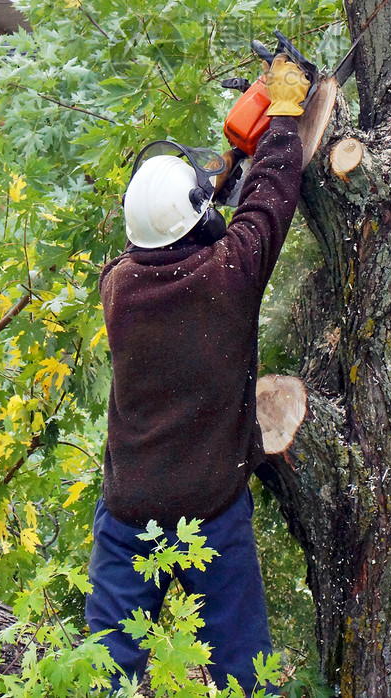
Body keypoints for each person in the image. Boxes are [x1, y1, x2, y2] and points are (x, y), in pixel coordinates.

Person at [85, 54, 310, 694]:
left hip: (131, 515)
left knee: (107, 676)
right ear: (199, 220)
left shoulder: (118, 288)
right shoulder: (229, 275)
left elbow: (177, 240)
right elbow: (269, 206)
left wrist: (217, 179)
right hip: (211, 510)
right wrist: (284, 122)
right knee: (245, 674)